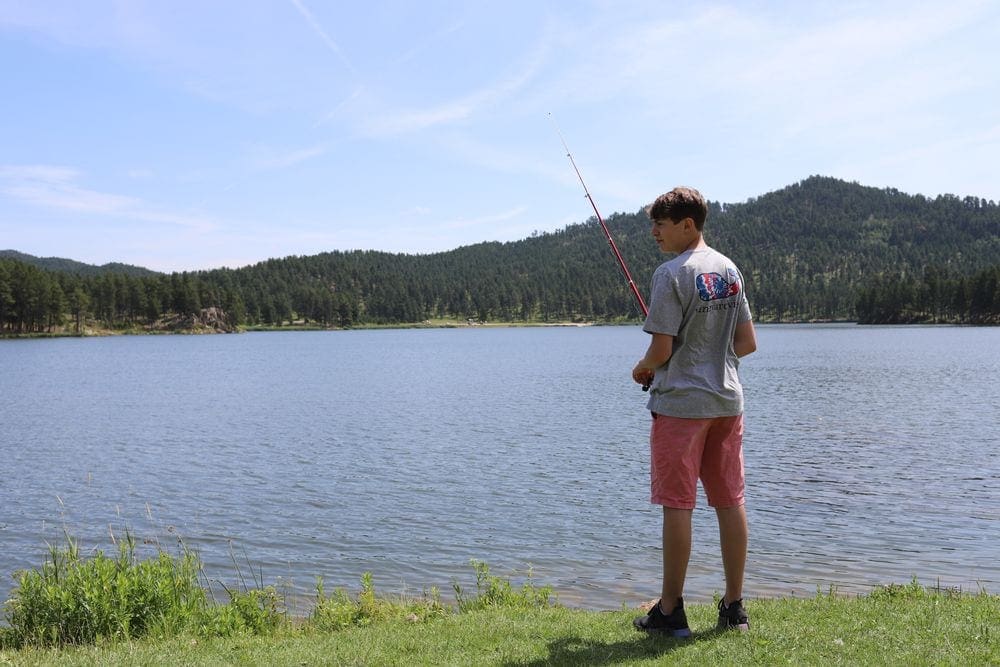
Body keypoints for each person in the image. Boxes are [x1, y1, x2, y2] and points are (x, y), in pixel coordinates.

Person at [630, 186, 757, 637]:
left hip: (682, 408)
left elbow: (661, 347)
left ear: (688, 224)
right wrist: (706, 359)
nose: (654, 233)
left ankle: (670, 611)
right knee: (730, 500)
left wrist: (643, 368)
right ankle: (735, 608)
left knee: (677, 505)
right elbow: (746, 343)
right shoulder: (729, 270)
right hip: (727, 403)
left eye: (661, 226)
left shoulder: (671, 274)